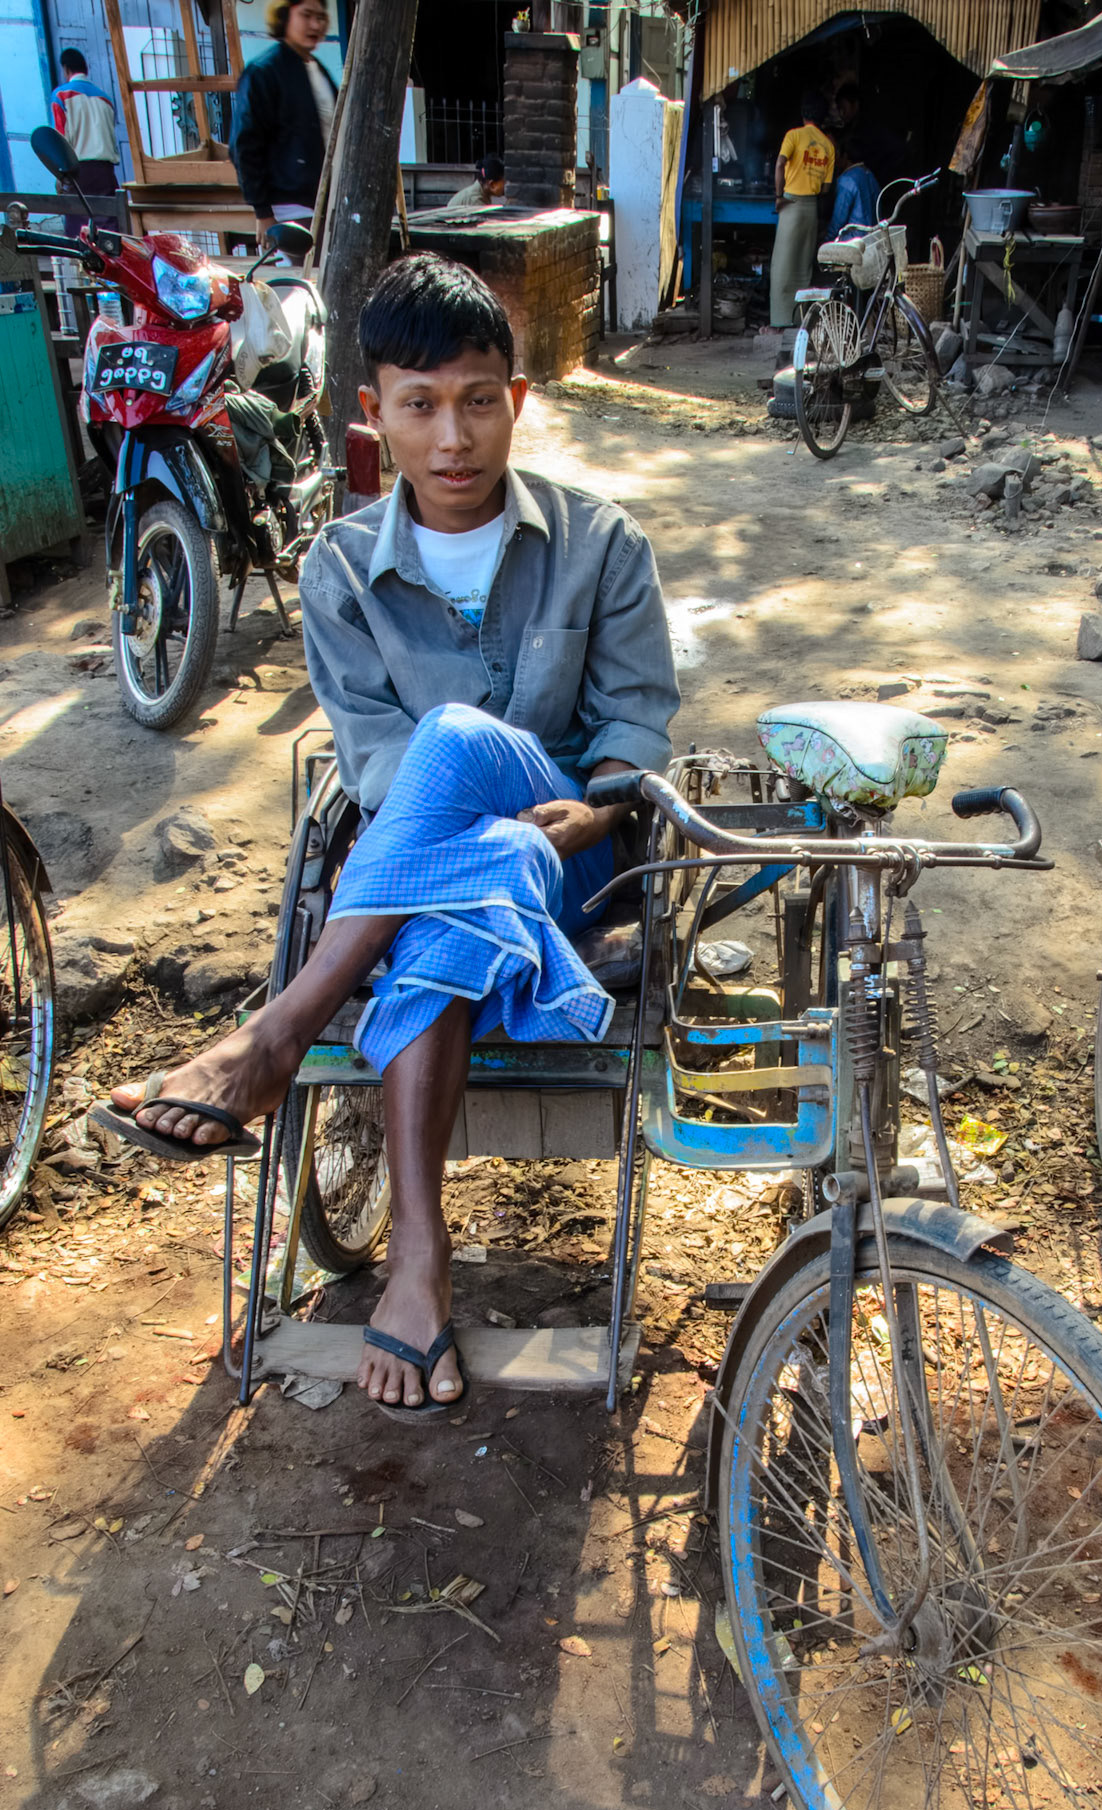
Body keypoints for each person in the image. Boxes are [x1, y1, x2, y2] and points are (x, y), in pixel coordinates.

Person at [93, 255, 679, 1419]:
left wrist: (600, 808)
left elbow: (636, 723)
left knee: (459, 742)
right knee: (459, 832)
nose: (451, 435)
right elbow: (370, 759)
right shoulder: (339, 571)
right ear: (375, 417)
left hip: (581, 856)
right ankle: (419, 1262)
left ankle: (277, 1033)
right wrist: (497, 839)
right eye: (420, 404)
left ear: (515, 402)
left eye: (476, 400)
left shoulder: (601, 542)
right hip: (453, 880)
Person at [230, 0, 338, 245]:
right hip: (288, 208)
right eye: (306, 15)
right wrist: (263, 212)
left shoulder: (316, 68)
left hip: (322, 202)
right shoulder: (263, 72)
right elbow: (244, 145)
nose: (315, 25)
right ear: (284, 16)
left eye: (320, 18)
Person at [770, 89, 835, 344]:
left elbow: (779, 164)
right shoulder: (828, 145)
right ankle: (800, 320)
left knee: (782, 266)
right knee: (803, 266)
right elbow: (827, 188)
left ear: (803, 113)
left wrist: (778, 196)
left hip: (791, 204)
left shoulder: (794, 135)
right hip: (811, 209)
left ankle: (779, 321)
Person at [50, 49, 120, 238]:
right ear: (85, 69)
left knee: (78, 233)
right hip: (105, 171)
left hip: (77, 171)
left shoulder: (60, 96)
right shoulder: (105, 99)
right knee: (109, 229)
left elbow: (61, 138)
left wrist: (59, 176)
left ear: (66, 69)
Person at [825, 133, 880, 241]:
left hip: (854, 240)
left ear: (845, 156)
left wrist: (825, 240)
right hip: (874, 237)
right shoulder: (869, 174)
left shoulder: (847, 180)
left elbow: (838, 219)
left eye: (837, 154)